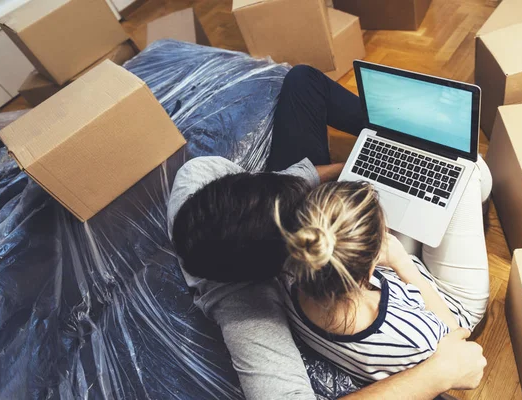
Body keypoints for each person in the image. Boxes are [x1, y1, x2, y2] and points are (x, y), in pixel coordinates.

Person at [168, 65, 487, 398]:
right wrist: (402, 263)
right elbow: (450, 333)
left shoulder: (199, 194)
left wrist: (359, 161)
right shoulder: (251, 309)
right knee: (469, 166)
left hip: (392, 279)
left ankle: (396, 149)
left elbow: (284, 183)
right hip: (441, 299)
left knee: (303, 80)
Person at [274, 175, 489, 382]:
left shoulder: (286, 276)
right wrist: (402, 263)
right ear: (369, 266)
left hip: (395, 279)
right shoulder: (413, 338)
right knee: (470, 174)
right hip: (449, 302)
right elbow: (456, 334)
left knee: (428, 189)